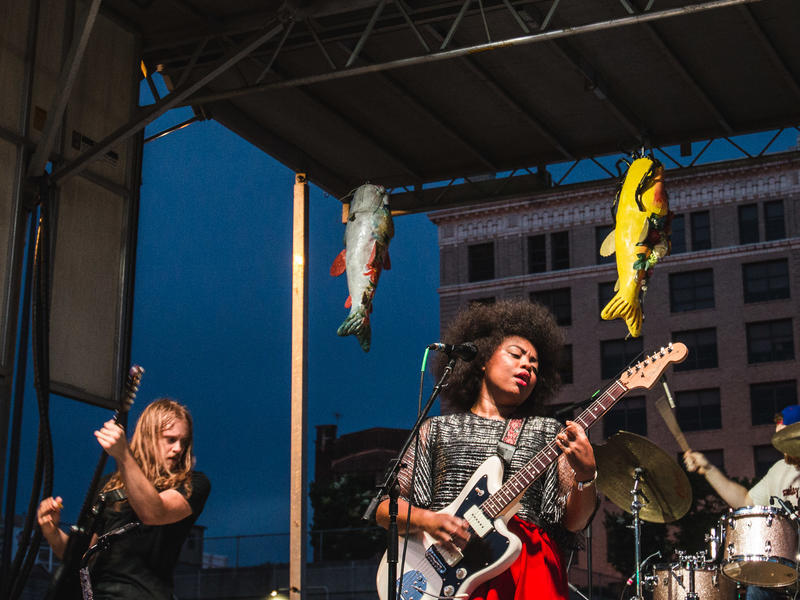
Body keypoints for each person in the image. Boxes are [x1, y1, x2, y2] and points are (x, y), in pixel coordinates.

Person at [376, 299, 597, 600]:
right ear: (482, 359)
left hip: (526, 570)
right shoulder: (438, 429)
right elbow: (384, 508)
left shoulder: (549, 432)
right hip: (444, 577)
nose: (527, 367)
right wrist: (429, 520)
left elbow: (574, 522)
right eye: (517, 355)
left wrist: (586, 475)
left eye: (534, 365)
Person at [37, 398, 211, 600]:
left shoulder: (193, 483)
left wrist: (123, 455)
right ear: (149, 438)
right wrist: (51, 531)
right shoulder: (108, 485)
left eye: (184, 441)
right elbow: (83, 556)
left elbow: (154, 512)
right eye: (170, 439)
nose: (178, 448)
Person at [683, 404, 800, 600]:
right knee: (758, 587)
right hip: (788, 568)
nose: (782, 447)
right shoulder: (779, 469)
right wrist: (708, 469)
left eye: (787, 439)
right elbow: (746, 501)